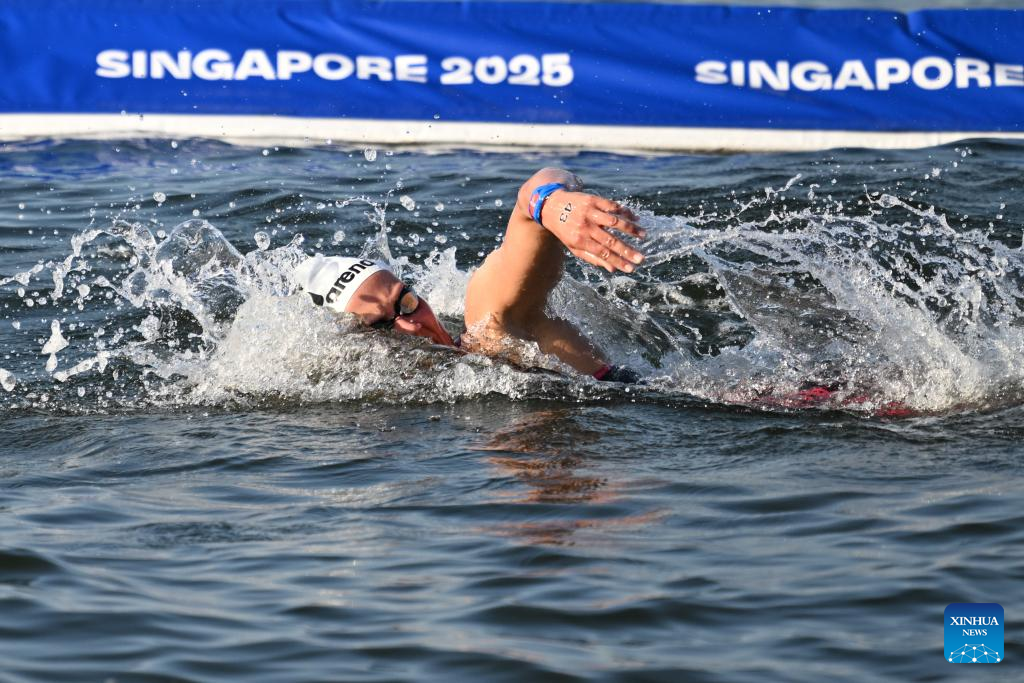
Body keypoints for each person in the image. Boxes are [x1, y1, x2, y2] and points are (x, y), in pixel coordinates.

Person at [293, 168, 646, 382]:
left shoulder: (492, 328)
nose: (412, 326)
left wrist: (551, 203)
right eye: (380, 325)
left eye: (407, 302)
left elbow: (529, 200)